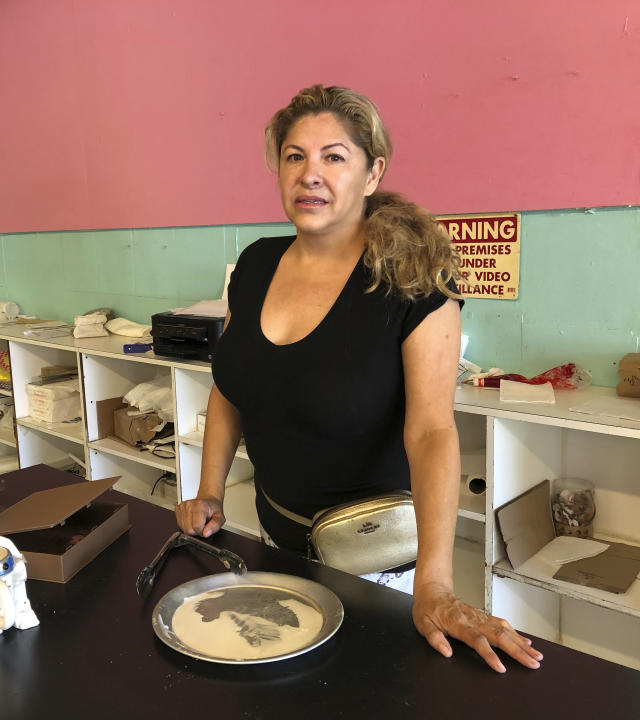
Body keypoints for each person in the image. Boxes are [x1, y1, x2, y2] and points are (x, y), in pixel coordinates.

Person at [174, 84, 542, 673]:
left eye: (333, 157)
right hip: (274, 540)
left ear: (372, 174)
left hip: (378, 562)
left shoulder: (412, 279)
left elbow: (431, 433)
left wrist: (436, 584)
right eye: (295, 156)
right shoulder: (255, 265)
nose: (310, 174)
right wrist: (209, 490)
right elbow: (231, 384)